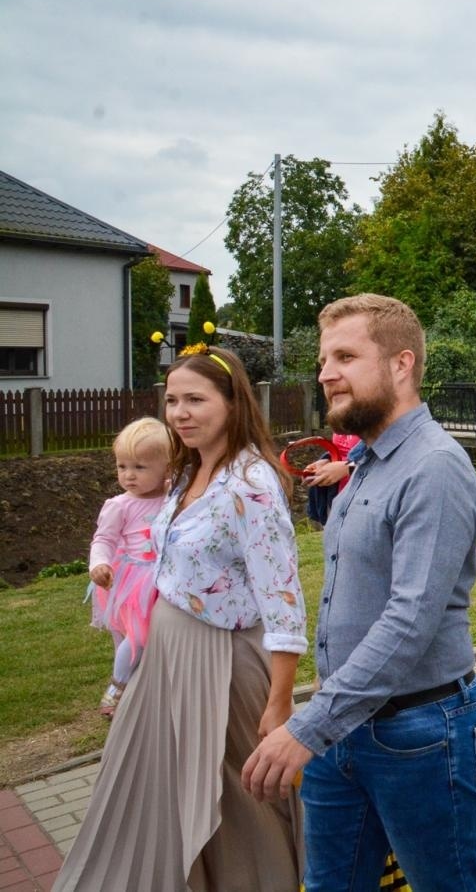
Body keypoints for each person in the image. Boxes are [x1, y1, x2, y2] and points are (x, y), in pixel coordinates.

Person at [242, 294, 476, 891]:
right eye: (323, 358)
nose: (325, 373)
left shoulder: (433, 466)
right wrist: (323, 720)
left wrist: (307, 727)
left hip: (421, 731)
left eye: (344, 356)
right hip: (343, 723)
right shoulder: (367, 461)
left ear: (401, 364)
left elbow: (410, 620)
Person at [57, 345, 305, 892]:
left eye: (196, 399)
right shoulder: (189, 470)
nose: (180, 412)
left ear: (232, 402)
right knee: (155, 791)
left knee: (242, 805)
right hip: (166, 657)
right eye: (172, 400)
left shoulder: (251, 483)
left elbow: (283, 597)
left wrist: (281, 702)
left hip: (223, 662)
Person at [86, 417, 170, 718]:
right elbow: (103, 540)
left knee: (152, 639)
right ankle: (117, 687)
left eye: (140, 467)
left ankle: (143, 690)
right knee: (136, 637)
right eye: (123, 467)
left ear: (167, 468)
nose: (129, 475)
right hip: (134, 582)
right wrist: (99, 563)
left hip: (164, 576)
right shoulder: (120, 505)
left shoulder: (174, 497)